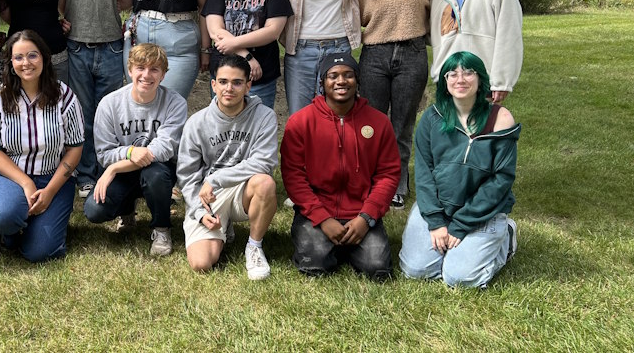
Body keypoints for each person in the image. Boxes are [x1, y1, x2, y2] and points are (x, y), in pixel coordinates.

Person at [359, 0, 511, 209]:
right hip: (374, 56)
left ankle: (397, 185)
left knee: (402, 125)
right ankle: (369, 182)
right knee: (371, 125)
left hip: (412, 53)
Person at [399, 51, 520, 288]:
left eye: (468, 72)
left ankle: (505, 237)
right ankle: (454, 251)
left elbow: (501, 179)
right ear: (445, 82)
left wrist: (462, 224)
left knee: (460, 278)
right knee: (415, 270)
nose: (460, 79)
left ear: (480, 79)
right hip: (440, 206)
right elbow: (424, 172)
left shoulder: (500, 119)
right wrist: (435, 222)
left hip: (483, 212)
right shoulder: (432, 118)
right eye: (452, 74)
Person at [280, 53, 400, 281]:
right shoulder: (301, 122)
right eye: (333, 76)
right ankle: (332, 246)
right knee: (315, 266)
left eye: (348, 75)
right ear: (323, 83)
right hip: (316, 213)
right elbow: (293, 175)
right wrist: (322, 219)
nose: (341, 81)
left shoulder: (378, 122)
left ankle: (349, 245)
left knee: (377, 269)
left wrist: (366, 218)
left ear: (358, 81)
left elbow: (388, 174)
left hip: (361, 211)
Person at [0, 30, 85, 262]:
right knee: (1, 216)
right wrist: (26, 183)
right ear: (10, 62)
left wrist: (48, 192)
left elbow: (75, 149)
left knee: (40, 252)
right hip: (11, 178)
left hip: (53, 177)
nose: (26, 63)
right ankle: (11, 229)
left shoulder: (64, 96)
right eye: (18, 57)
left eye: (32, 55)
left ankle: (32, 226)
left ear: (44, 58)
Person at [177, 54, 279, 280]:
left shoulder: (264, 116)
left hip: (243, 189)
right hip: (208, 197)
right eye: (223, 82)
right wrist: (198, 210)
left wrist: (215, 179)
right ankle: (224, 229)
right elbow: (187, 175)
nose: (229, 88)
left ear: (248, 85)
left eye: (237, 82)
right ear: (213, 85)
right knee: (201, 263)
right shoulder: (197, 123)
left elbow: (265, 162)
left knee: (265, 182)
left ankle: (254, 246)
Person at [59, 0, 130, 198]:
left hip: (112, 46)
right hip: (76, 46)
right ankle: (85, 174)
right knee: (84, 115)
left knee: (109, 116)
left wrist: (114, 6)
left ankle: (107, 171)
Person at [85, 43, 187, 256]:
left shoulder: (175, 102)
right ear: (130, 70)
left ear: (163, 75)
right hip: (124, 171)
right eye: (140, 68)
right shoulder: (109, 104)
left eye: (154, 69)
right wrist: (130, 153)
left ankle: (161, 228)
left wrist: (113, 169)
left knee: (155, 174)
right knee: (94, 210)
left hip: (158, 169)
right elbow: (104, 153)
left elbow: (163, 149)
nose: (146, 75)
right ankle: (127, 211)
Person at [202, 0, 292, 109]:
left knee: (258, 127)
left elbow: (272, 31)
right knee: (222, 126)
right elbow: (215, 30)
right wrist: (246, 55)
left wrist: (233, 43)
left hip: (261, 76)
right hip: (224, 74)